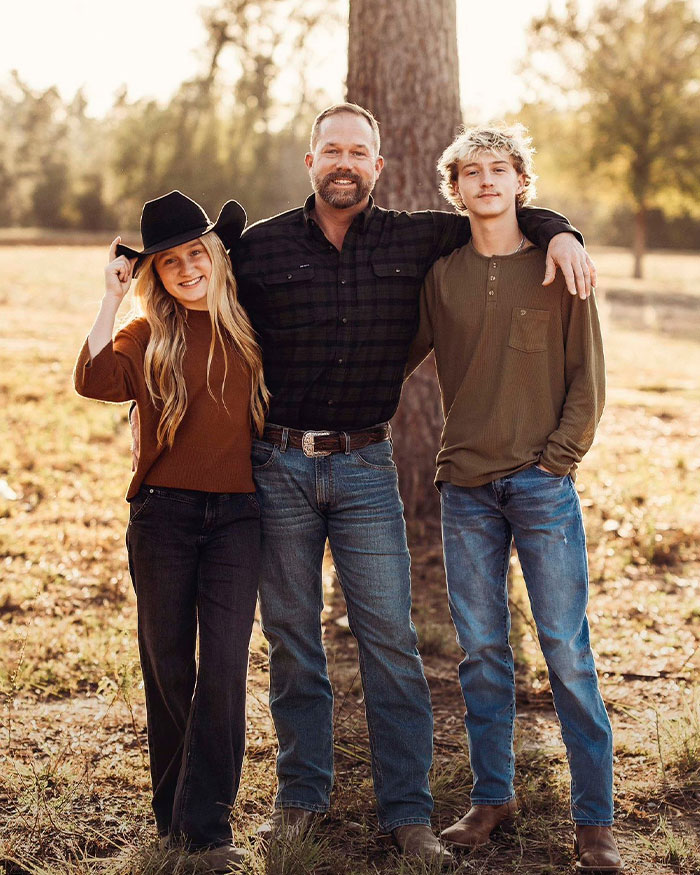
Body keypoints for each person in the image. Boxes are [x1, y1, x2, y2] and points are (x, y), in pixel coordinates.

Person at [225, 102, 598, 864]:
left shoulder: (417, 236)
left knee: (393, 640)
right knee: (295, 639)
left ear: (379, 165)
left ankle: (410, 810)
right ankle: (302, 797)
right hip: (281, 466)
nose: (344, 162)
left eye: (358, 151)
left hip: (367, 469)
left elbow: (504, 212)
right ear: (310, 161)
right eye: (331, 150)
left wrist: (562, 228)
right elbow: (196, 283)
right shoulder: (260, 248)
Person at [406, 124, 622, 871]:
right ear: (456, 188)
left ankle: (595, 819)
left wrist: (554, 465)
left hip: (541, 485)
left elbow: (588, 381)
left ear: (521, 183)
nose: (487, 181)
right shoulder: (443, 277)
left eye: (500, 169)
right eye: (472, 171)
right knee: (482, 653)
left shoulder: (560, 265)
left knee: (566, 650)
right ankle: (491, 796)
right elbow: (394, 358)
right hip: (463, 486)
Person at [74, 190, 268, 874]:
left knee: (222, 669)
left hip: (239, 518)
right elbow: (94, 379)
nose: (187, 269)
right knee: (168, 668)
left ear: (215, 255)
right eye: (171, 262)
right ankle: (175, 824)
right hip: (163, 517)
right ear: (153, 273)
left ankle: (208, 831)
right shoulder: (144, 333)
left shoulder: (248, 320)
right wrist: (111, 296)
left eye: (197, 254)